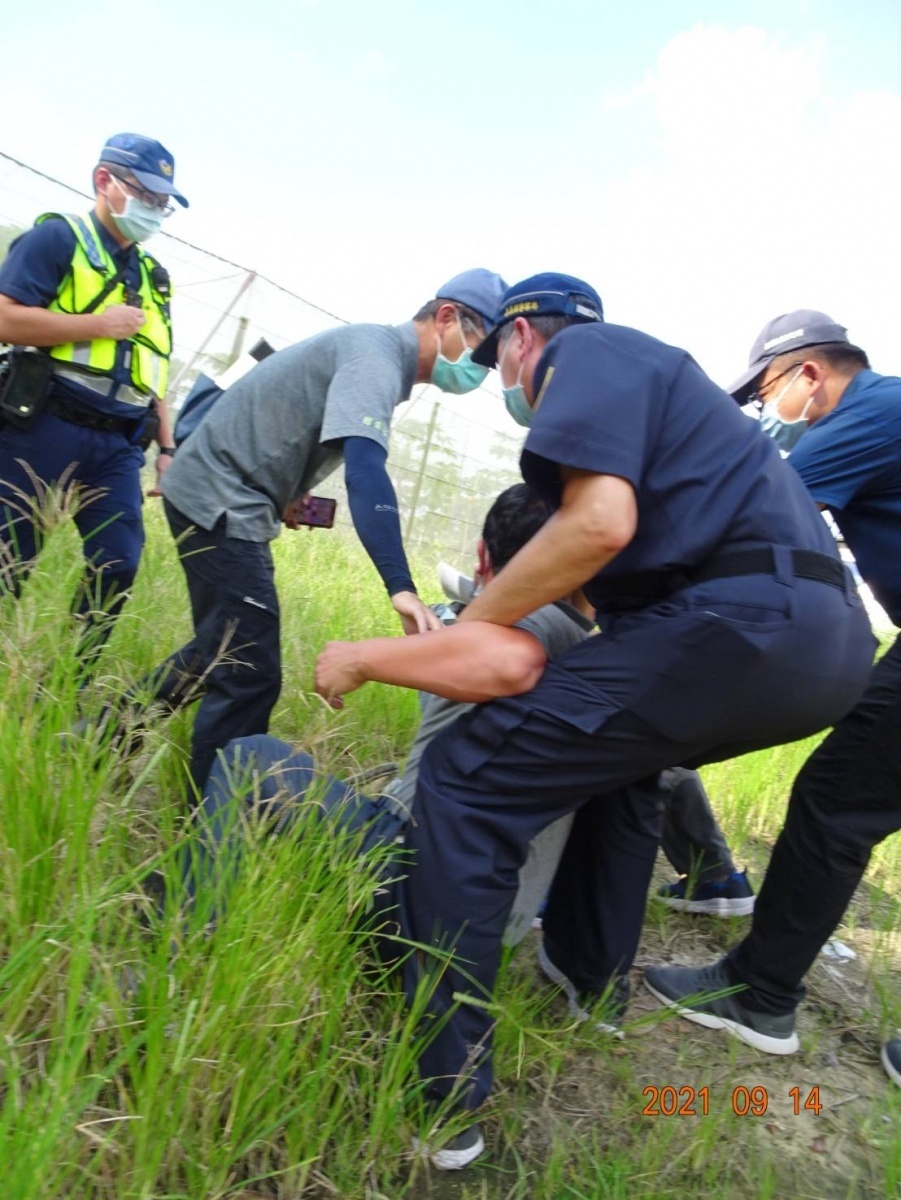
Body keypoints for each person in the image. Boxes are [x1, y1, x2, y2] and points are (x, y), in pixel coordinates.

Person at [315, 273, 875, 1167]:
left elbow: (597, 525)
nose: (500, 373)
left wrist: (475, 619)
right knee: (624, 767)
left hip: (747, 625)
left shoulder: (589, 350)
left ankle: (441, 1100)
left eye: (500, 350)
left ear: (525, 337)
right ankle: (589, 984)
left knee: (469, 783)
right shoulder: (681, 427)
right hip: (825, 650)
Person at [643, 310, 901, 1083]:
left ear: (808, 374)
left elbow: (754, 510)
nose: (764, 407)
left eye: (765, 391)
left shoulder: (870, 412)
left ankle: (758, 995)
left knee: (834, 802)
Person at [139, 269, 506, 804]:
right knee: (249, 672)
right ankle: (208, 831)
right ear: (447, 318)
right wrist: (399, 584)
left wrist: (286, 490)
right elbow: (365, 472)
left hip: (225, 490)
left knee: (221, 646)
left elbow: (288, 419)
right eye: (481, 349)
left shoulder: (377, 357)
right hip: (220, 498)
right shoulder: (377, 357)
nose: (481, 369)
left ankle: (104, 733)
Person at [0, 132, 185, 669]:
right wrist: (96, 324)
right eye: (145, 195)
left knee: (119, 562)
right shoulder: (58, 240)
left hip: (118, 445)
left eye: (162, 202)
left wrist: (167, 449)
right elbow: (6, 316)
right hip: (44, 426)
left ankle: (65, 679)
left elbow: (155, 369)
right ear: (104, 181)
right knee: (10, 560)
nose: (154, 209)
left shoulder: (154, 278)